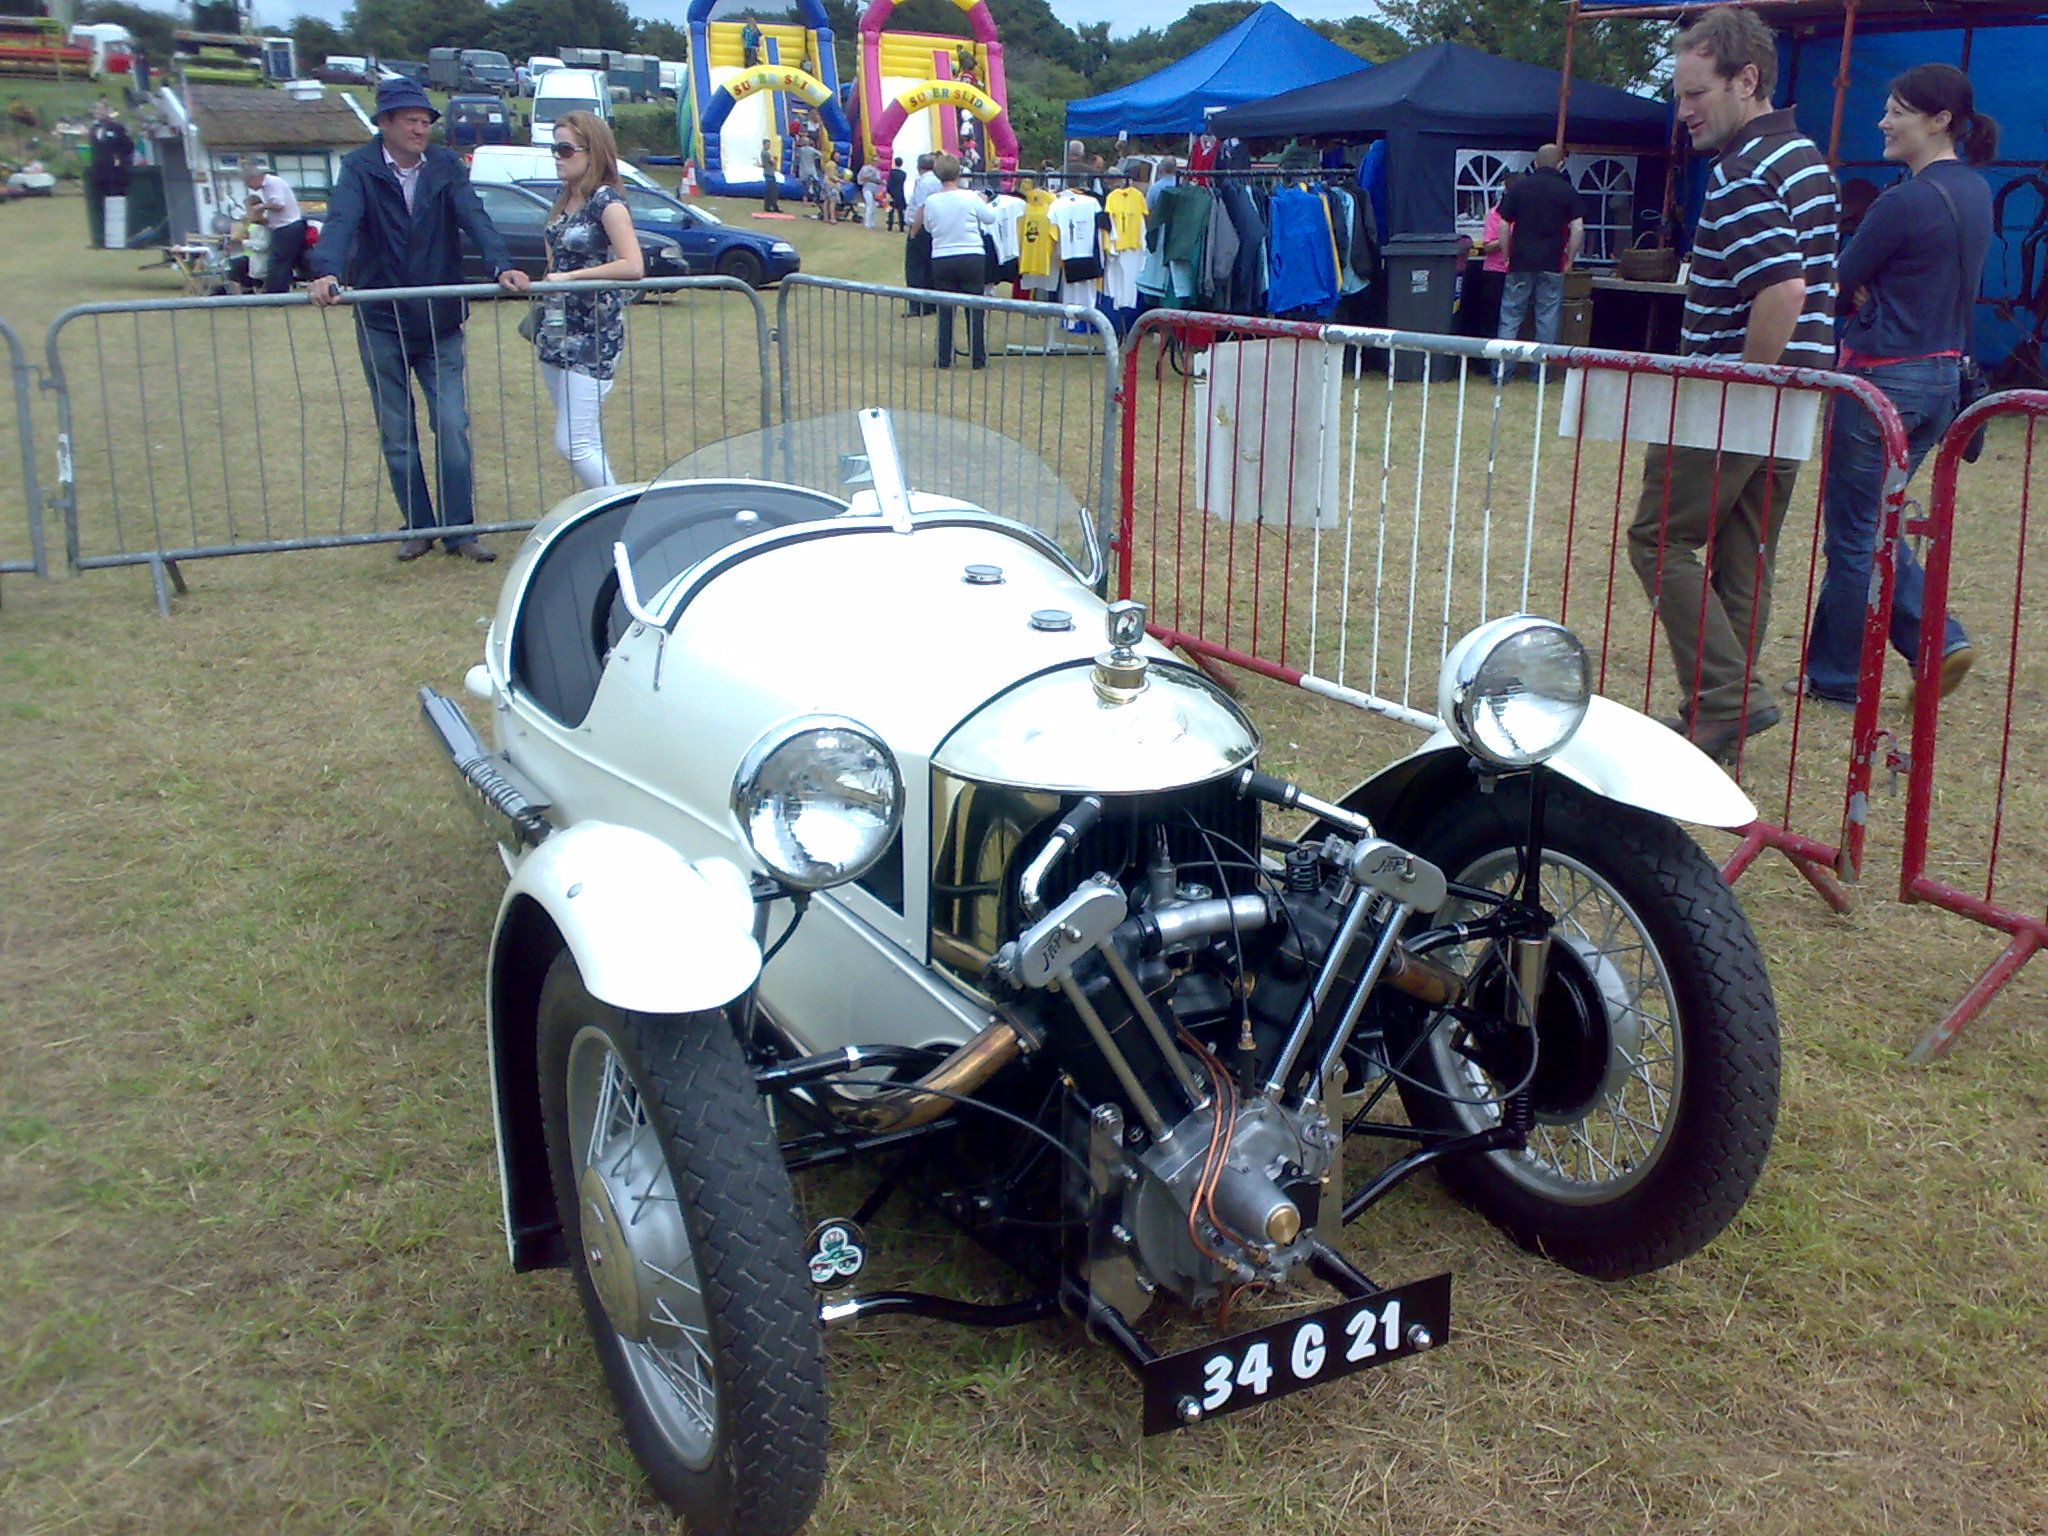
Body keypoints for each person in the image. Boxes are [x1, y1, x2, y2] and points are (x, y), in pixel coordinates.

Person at [1628, 5, 1837, 760]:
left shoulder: (1743, 170)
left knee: (1658, 540)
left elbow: (1782, 289)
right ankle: (1720, 714)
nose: (1683, 112)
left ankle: (1724, 698)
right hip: (1795, 389)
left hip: (1735, 393)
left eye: (1695, 94)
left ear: (1745, 81)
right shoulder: (1804, 157)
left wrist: (1743, 384)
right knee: (1744, 554)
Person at [1795, 63, 1993, 710]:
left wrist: (1859, 288)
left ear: (1940, 121)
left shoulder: (1904, 201)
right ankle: (1867, 658)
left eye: (1897, 111)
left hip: (1883, 381)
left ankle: (1870, 666)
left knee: (1857, 532)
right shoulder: (1976, 191)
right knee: (1874, 523)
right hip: (1942, 381)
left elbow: (1840, 277)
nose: (1882, 121)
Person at [309, 77, 529, 563]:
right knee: (397, 432)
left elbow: (474, 217)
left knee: (452, 424)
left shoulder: (446, 165)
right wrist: (326, 270)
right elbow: (341, 221)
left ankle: (460, 529)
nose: (420, 128)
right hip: (381, 321)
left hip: (440, 321)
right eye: (410, 120)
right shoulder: (360, 167)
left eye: (425, 120)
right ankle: (418, 525)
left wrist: (501, 264)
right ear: (384, 123)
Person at [535, 112, 643, 491]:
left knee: (574, 443)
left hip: (594, 335)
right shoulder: (564, 198)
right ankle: (609, 511)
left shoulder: (607, 202)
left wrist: (570, 279)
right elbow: (555, 257)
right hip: (556, 330)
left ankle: (620, 512)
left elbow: (633, 265)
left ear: (592, 151)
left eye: (566, 149)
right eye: (555, 148)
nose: (558, 157)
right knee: (586, 440)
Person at [1494, 144, 1584, 380]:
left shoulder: (1520, 188)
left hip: (1520, 260)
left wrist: (1506, 254)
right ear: (1560, 165)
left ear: (1535, 163)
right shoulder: (1567, 191)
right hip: (1552, 261)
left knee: (1511, 317)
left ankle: (1502, 373)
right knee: (1547, 318)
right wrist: (1569, 259)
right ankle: (1541, 375)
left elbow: (1503, 224)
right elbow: (1578, 229)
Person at [913, 155, 997, 369]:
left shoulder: (932, 201)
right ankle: (978, 357)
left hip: (943, 256)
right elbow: (989, 218)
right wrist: (984, 202)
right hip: (971, 255)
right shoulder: (970, 197)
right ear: (959, 173)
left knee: (945, 310)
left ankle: (944, 357)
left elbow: (929, 227)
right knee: (975, 308)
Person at [241, 157, 308, 294]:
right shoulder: (267, 187)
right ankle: (278, 290)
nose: (249, 187)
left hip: (288, 226)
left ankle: (276, 292)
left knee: (279, 260)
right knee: (281, 260)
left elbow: (279, 204)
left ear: (255, 178)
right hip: (283, 226)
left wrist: (261, 207)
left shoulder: (272, 184)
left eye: (248, 183)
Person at [901, 152, 940, 315]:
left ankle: (917, 305)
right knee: (929, 266)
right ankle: (931, 303)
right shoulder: (938, 181)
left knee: (915, 267)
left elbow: (922, 208)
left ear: (919, 167)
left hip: (921, 227)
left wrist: (913, 231)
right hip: (933, 227)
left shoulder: (924, 182)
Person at [794, 134, 822, 213]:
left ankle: (805, 201)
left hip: (803, 169)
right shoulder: (812, 149)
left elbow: (797, 157)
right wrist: (814, 158)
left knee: (805, 186)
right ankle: (814, 200)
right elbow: (821, 155)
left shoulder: (800, 150)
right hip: (811, 169)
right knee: (814, 185)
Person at [857, 157, 882, 228]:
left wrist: (882, 182)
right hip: (867, 188)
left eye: (877, 161)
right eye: (874, 161)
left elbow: (878, 181)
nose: (876, 163)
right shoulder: (865, 168)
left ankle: (872, 223)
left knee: (874, 207)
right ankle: (867, 223)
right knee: (869, 204)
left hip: (876, 189)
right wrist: (870, 175)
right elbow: (861, 179)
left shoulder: (878, 171)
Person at [759, 136, 781, 213]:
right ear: (764, 145)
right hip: (770, 173)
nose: (769, 146)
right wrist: (775, 160)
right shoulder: (767, 153)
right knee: (773, 191)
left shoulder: (762, 153)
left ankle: (768, 206)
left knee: (769, 191)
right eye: (768, 144)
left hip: (767, 172)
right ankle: (774, 206)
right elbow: (773, 162)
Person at [886, 156, 907, 231]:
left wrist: (887, 191)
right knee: (900, 212)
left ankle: (890, 227)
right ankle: (901, 228)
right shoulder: (903, 174)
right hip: (900, 193)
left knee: (890, 211)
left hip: (892, 193)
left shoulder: (891, 172)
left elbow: (889, 183)